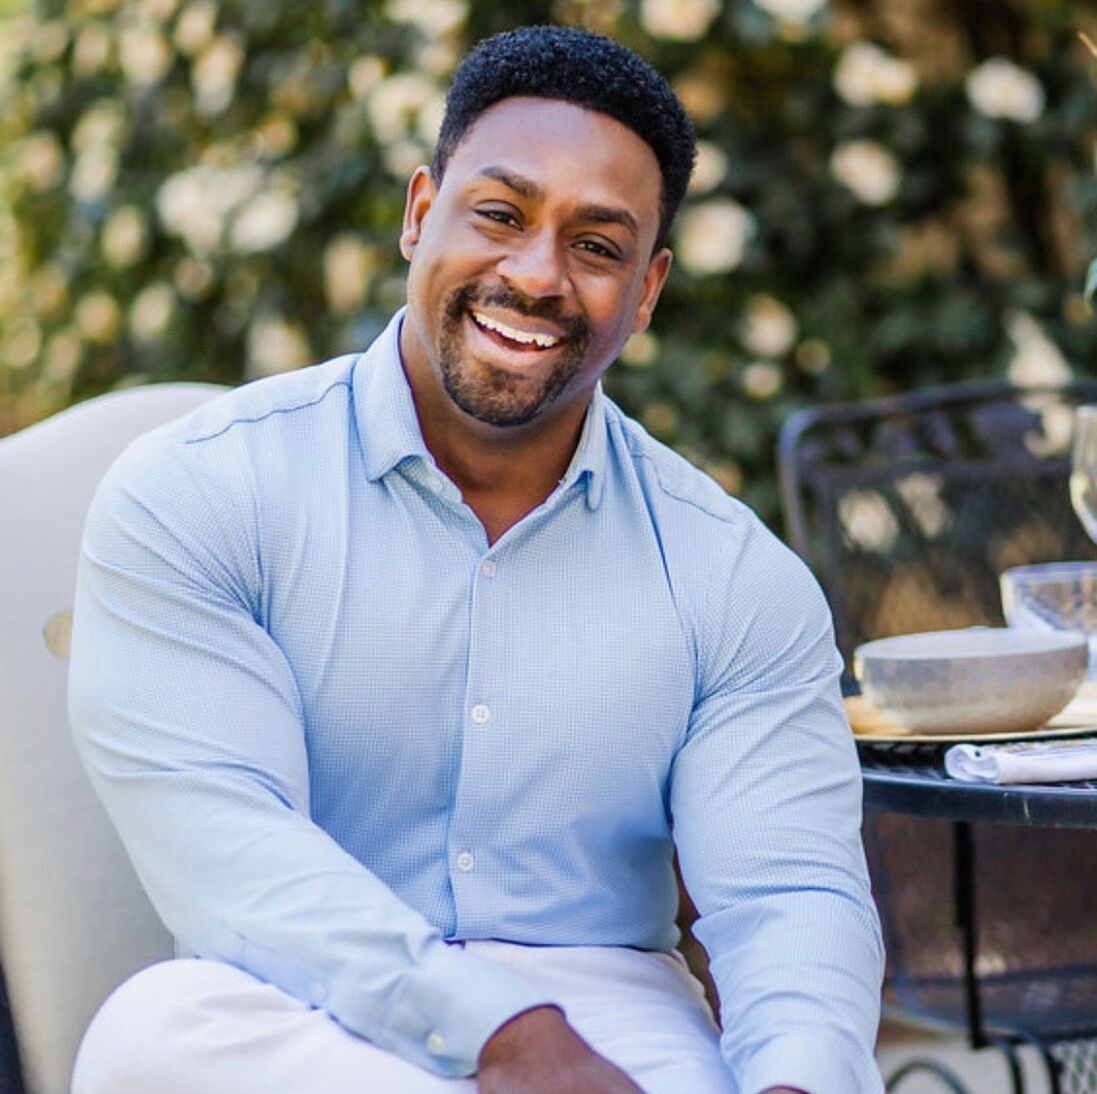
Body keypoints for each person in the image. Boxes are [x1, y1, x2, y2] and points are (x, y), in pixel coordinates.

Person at [68, 24, 884, 1094]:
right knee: (152, 1036)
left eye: (597, 245)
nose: (537, 273)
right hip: (295, 1009)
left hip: (613, 1023)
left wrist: (794, 1084)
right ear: (420, 214)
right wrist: (506, 1042)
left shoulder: (732, 574)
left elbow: (790, 896)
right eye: (499, 214)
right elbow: (232, 859)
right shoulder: (203, 490)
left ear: (644, 292)